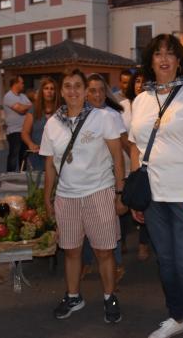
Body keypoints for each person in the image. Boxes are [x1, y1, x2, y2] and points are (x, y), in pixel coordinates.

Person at [129, 34, 183, 338]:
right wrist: (136, 192)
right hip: (153, 196)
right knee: (166, 263)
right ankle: (177, 316)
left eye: (170, 54)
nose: (164, 59)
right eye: (157, 54)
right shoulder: (140, 100)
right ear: (150, 61)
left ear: (179, 60)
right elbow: (134, 147)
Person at [41, 69, 126, 323]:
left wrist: (119, 192)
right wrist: (48, 197)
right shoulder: (52, 123)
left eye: (78, 86)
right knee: (71, 251)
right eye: (67, 86)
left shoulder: (101, 118)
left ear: (86, 90)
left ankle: (110, 296)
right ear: (61, 90)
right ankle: (73, 296)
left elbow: (117, 158)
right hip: (66, 197)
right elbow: (49, 165)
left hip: (99, 192)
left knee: (104, 252)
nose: (73, 91)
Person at [81, 73, 128, 283]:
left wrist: (126, 178)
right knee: (86, 225)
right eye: (92, 90)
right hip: (83, 180)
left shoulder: (112, 115)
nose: (98, 95)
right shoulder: (77, 115)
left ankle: (115, 266)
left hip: (108, 177)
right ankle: (88, 263)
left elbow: (124, 147)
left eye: (101, 90)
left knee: (109, 226)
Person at [122, 70, 153, 261]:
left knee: (144, 203)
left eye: (144, 81)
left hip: (143, 163)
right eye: (138, 81)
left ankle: (143, 243)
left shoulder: (152, 104)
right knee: (125, 204)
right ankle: (122, 240)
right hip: (125, 161)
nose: (140, 85)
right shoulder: (123, 106)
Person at [21, 77, 59, 173]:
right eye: (46, 88)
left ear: (55, 92)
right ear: (42, 91)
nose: (49, 91)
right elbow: (25, 132)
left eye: (52, 88)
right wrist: (30, 144)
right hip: (36, 158)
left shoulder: (61, 110)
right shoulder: (33, 110)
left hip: (56, 157)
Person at [3, 75, 32, 172]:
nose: (23, 85)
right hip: (14, 131)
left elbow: (29, 108)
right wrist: (25, 107)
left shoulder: (23, 96)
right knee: (13, 156)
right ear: (16, 83)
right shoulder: (8, 96)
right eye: (22, 82)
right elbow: (20, 110)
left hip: (25, 131)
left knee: (23, 155)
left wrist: (25, 107)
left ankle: (22, 176)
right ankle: (9, 177)